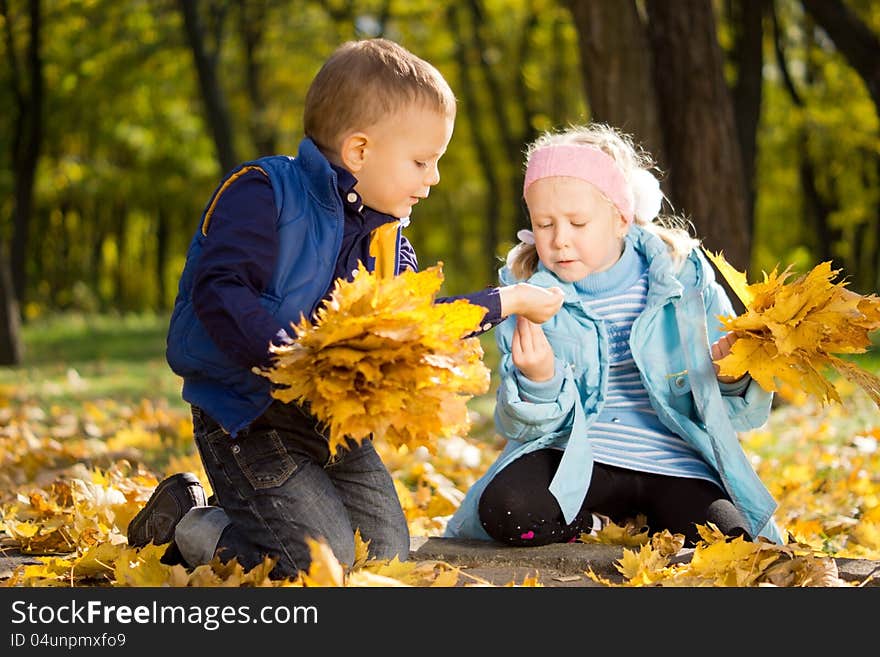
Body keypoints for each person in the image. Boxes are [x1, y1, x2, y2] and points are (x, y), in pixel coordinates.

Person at [127, 38, 564, 578]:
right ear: (360, 151)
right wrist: (293, 357)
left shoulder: (386, 237)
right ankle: (187, 525)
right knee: (318, 563)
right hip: (248, 416)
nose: (434, 179)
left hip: (333, 422)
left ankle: (254, 521)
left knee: (384, 552)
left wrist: (508, 300)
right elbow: (222, 289)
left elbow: (416, 323)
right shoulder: (262, 192)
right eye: (423, 161)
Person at [444, 122, 785, 548]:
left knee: (731, 539)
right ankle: (593, 526)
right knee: (507, 509)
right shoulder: (527, 292)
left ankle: (655, 522)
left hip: (673, 463)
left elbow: (741, 415)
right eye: (544, 224)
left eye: (577, 222)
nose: (559, 240)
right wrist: (539, 380)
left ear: (622, 219)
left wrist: (730, 376)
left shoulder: (685, 280)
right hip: (575, 461)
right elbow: (520, 425)